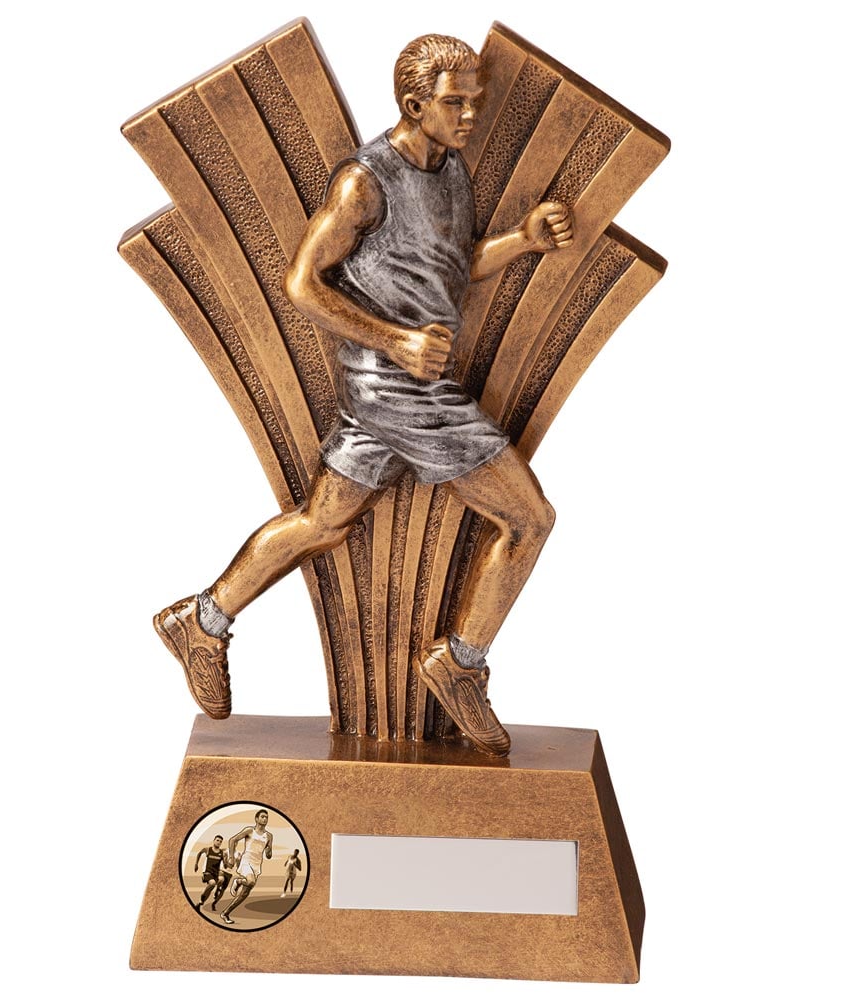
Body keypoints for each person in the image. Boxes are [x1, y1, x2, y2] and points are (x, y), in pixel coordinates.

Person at [154, 33, 573, 756]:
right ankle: (460, 663)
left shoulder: (451, 171)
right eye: (455, 103)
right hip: (401, 389)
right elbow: (302, 282)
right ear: (414, 104)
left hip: (396, 392)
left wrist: (524, 240)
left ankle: (203, 618)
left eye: (474, 101)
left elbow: (452, 266)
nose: (470, 115)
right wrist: (396, 341)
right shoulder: (364, 182)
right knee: (528, 519)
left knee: (322, 522)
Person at [220, 809, 273, 925]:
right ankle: (238, 881)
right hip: (246, 861)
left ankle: (225, 913)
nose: (265, 819)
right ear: (256, 819)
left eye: (266, 817)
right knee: (251, 881)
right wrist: (231, 857)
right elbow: (232, 840)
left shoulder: (269, 836)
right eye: (262, 817)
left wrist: (269, 850)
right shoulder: (250, 830)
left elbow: (269, 855)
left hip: (257, 864)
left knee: (244, 894)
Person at [192, 834, 226, 911]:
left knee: (221, 880)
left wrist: (227, 862)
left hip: (215, 874)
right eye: (217, 840)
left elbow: (225, 865)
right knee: (212, 883)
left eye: (220, 841)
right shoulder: (208, 849)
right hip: (207, 872)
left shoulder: (222, 853)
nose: (219, 842)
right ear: (213, 841)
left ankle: (200, 902)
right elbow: (199, 853)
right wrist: (196, 864)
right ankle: (204, 896)